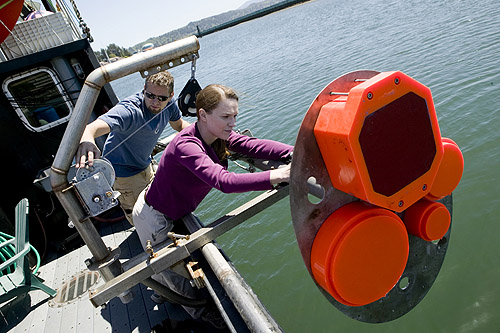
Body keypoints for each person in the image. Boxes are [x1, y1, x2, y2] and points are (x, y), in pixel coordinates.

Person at [132, 84, 292, 328]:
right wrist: (278, 175)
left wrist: (296, 152)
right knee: (177, 275)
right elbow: (224, 182)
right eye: (226, 116)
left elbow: (254, 145)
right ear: (203, 115)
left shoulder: (218, 136)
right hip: (155, 216)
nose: (232, 122)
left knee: (172, 270)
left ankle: (161, 289)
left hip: (172, 207)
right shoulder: (187, 146)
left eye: (235, 116)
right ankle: (200, 315)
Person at [76, 70, 190, 225]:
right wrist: (88, 141)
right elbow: (90, 128)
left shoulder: (170, 106)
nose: (155, 102)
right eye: (150, 95)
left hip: (145, 164)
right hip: (124, 176)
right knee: (141, 217)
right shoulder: (129, 111)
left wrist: (203, 133)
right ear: (144, 89)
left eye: (161, 98)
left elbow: (179, 125)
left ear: (170, 96)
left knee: (160, 203)